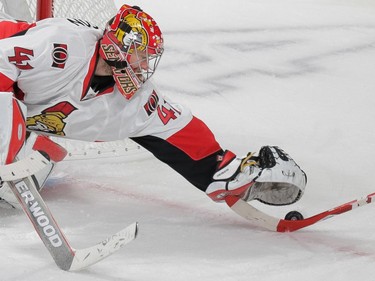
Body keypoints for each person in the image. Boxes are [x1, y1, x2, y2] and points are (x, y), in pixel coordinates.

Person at [0, 4, 306, 210]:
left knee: (18, 188)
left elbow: (176, 129)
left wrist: (234, 174)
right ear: (116, 48)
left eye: (148, 58)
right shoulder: (63, 45)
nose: (145, 65)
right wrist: (7, 152)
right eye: (141, 55)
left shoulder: (131, 100)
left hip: (14, 120)